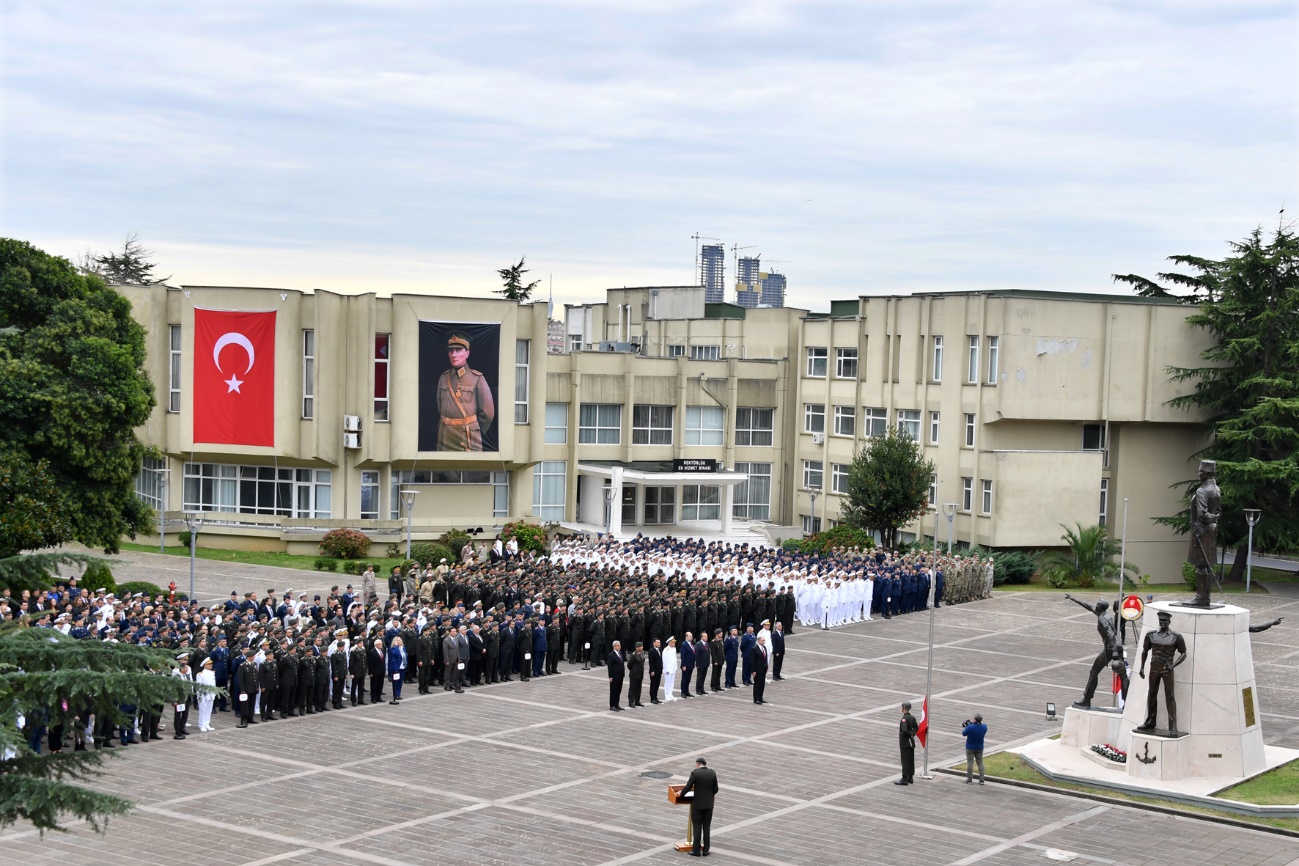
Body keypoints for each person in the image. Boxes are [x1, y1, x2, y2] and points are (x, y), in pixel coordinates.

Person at [437, 332, 496, 451]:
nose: (454, 355)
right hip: (445, 437)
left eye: (458, 350)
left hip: (467, 438)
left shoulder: (477, 379)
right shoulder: (444, 378)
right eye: (451, 350)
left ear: (467, 353)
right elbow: (440, 406)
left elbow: (488, 414)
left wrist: (474, 429)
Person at [1137, 611, 1188, 733]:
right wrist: (1142, 667)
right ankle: (1150, 721)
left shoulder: (1176, 637)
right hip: (1154, 668)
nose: (1162, 622)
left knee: (1170, 696)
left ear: (1169, 621)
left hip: (1167, 670)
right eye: (1161, 620)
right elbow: (1144, 651)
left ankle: (1173, 726)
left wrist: (1173, 665)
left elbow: (1184, 653)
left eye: (1165, 620)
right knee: (1152, 693)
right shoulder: (1151, 635)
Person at [681, 757, 718, 858]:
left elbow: (688, 787)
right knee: (707, 827)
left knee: (697, 827)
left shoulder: (695, 773)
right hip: (709, 805)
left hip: (697, 804)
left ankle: (696, 850)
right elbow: (716, 789)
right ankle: (706, 850)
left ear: (697, 764)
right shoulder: (712, 773)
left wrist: (681, 794)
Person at [895, 701, 919, 785]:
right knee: (910, 759)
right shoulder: (912, 717)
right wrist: (912, 734)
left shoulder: (904, 718)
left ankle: (904, 778)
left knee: (905, 760)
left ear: (904, 708)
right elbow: (916, 727)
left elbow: (904, 730)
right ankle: (910, 777)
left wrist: (909, 735)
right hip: (911, 742)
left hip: (905, 742)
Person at [962, 713, 987, 784]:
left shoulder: (970, 727)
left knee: (970, 762)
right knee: (980, 763)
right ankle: (982, 780)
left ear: (975, 719)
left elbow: (963, 733)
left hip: (970, 747)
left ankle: (969, 779)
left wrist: (967, 726)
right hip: (979, 747)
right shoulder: (984, 727)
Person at [195, 656, 216, 732]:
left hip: (211, 694)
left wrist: (214, 693)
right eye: (209, 664)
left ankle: (207, 723)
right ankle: (201, 725)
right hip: (203, 694)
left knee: (209, 709)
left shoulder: (212, 673)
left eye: (211, 664)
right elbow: (198, 686)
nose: (211, 665)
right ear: (205, 665)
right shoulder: (200, 674)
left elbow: (213, 684)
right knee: (203, 710)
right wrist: (199, 695)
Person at [387, 635, 407, 704]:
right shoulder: (393, 648)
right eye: (398, 640)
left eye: (400, 640)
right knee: (396, 682)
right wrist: (396, 646)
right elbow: (396, 653)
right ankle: (395, 695)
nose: (400, 641)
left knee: (400, 682)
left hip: (402, 667)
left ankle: (398, 694)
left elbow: (405, 656)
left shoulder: (403, 648)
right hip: (396, 667)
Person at [607, 640, 625, 712]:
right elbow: (610, 667)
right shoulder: (611, 655)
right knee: (613, 691)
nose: (620, 646)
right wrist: (610, 676)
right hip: (614, 676)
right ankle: (612, 705)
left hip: (620, 675)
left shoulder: (620, 653)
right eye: (618, 645)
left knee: (618, 691)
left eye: (620, 645)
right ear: (614, 646)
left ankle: (617, 704)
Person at [751, 634, 769, 705]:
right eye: (762, 640)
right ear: (758, 641)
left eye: (764, 640)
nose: (764, 642)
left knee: (762, 684)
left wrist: (766, 667)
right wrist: (753, 670)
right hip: (757, 669)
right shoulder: (754, 649)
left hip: (763, 668)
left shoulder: (764, 647)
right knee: (757, 684)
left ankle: (760, 697)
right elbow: (752, 661)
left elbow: (765, 658)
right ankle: (756, 698)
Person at [627, 641, 646, 708]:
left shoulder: (642, 653)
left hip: (640, 674)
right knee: (632, 688)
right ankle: (631, 701)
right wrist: (634, 670)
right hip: (634, 674)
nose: (642, 647)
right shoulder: (633, 655)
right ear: (637, 647)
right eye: (641, 646)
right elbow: (629, 665)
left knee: (638, 688)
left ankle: (637, 701)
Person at [662, 636, 679, 701]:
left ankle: (670, 694)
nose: (674, 643)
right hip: (668, 669)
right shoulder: (666, 650)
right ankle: (667, 695)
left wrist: (675, 667)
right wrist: (666, 669)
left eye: (674, 642)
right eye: (673, 642)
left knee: (672, 682)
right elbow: (665, 660)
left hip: (673, 668)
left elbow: (675, 659)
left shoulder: (674, 649)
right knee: (667, 682)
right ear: (669, 642)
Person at [648, 638, 663, 704]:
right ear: (654, 643)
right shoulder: (651, 650)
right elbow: (651, 662)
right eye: (657, 642)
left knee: (657, 684)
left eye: (659, 642)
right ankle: (652, 698)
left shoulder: (660, 650)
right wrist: (652, 670)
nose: (659, 644)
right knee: (653, 684)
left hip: (659, 670)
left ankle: (655, 697)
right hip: (654, 670)